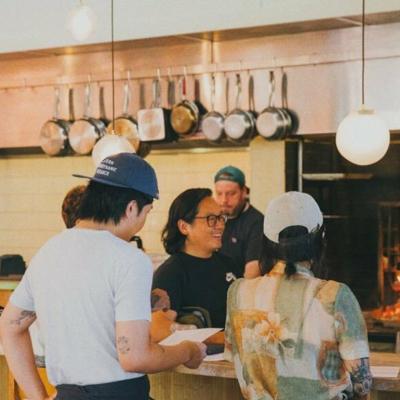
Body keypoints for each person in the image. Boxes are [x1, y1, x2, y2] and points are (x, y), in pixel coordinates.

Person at [0, 153, 206, 400]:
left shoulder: (48, 251)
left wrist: (38, 397)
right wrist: (188, 350)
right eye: (146, 213)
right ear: (131, 208)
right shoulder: (129, 259)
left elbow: (10, 326)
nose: (142, 222)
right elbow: (135, 357)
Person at [224, 191, 372, 400]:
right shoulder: (336, 295)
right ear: (320, 238)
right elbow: (362, 384)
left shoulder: (237, 293)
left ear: (266, 242)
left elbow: (234, 359)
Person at [153, 188, 237, 328]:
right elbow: (159, 328)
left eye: (221, 217)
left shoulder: (229, 265)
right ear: (184, 227)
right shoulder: (170, 274)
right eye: (211, 219)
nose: (221, 225)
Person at [214, 165, 263, 279]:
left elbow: (252, 273)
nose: (224, 200)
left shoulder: (257, 222)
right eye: (219, 194)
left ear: (244, 191)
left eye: (231, 193)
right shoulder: (213, 219)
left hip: (238, 291)